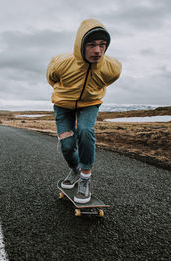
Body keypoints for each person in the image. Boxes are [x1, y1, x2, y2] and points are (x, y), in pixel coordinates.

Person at [46, 19, 122, 203]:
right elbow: (51, 78)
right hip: (64, 105)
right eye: (92, 45)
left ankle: (85, 179)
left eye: (102, 45)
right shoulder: (61, 63)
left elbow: (108, 81)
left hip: (90, 103)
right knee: (67, 145)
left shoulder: (112, 68)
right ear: (81, 45)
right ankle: (75, 169)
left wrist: (89, 94)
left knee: (85, 131)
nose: (98, 51)